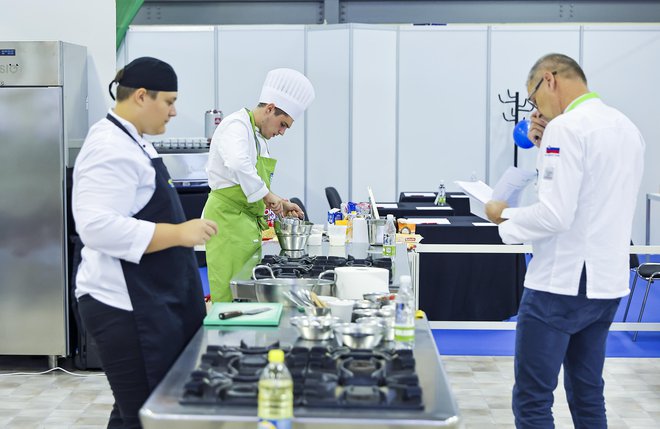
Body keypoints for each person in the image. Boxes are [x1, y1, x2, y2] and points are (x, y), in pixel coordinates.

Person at [485, 53, 645, 428]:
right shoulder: (626, 127)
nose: (535, 109)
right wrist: (545, 150)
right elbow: (592, 198)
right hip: (606, 281)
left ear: (549, 80)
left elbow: (555, 215)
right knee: (588, 394)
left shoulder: (568, 128)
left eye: (533, 97)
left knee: (532, 398)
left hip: (562, 280)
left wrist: (502, 215)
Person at [72, 57, 218, 428]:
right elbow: (97, 227)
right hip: (123, 306)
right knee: (146, 416)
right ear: (141, 96)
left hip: (148, 299)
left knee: (134, 412)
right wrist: (179, 233)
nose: (173, 111)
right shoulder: (108, 146)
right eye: (168, 101)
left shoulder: (135, 142)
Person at [203, 68, 315, 302]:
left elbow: (251, 183)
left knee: (245, 295)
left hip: (243, 225)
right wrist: (268, 196)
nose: (282, 132)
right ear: (270, 108)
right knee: (229, 297)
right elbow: (237, 164)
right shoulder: (236, 126)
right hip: (227, 224)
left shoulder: (256, 137)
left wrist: (280, 202)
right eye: (283, 124)